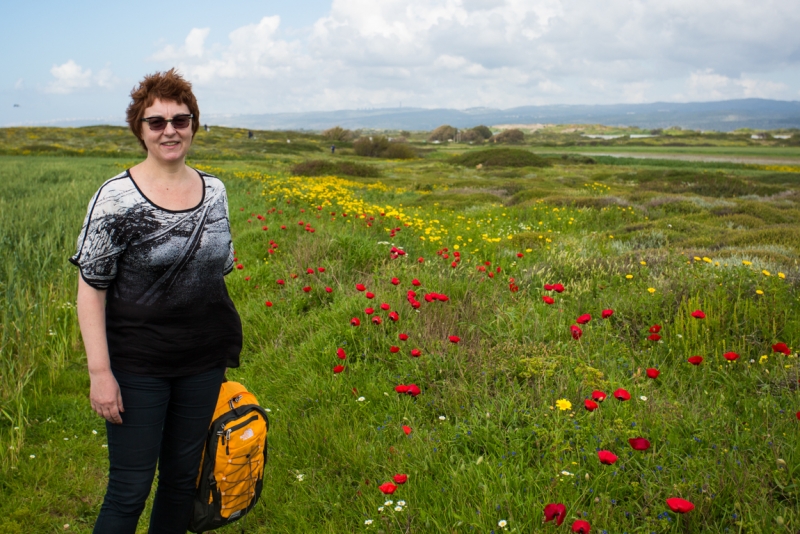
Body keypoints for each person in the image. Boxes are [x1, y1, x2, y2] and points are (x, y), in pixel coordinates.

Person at [71, 69, 242, 534]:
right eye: (157, 122)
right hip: (136, 364)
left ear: (194, 125)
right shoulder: (115, 199)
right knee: (129, 488)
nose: (170, 130)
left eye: (181, 120)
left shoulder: (216, 192)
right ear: (140, 130)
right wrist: (100, 373)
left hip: (203, 361)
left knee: (182, 479)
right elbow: (91, 288)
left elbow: (221, 266)